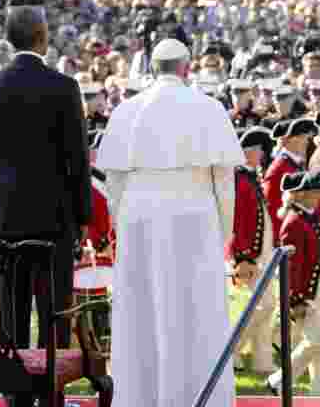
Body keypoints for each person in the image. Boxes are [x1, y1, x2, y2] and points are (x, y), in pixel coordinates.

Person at [96, 37, 243, 407]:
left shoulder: (128, 110)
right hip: (195, 217)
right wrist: (222, 235)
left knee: (142, 313)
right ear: (187, 68)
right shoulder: (208, 108)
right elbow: (224, 183)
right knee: (197, 313)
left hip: (139, 217)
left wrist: (123, 227)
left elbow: (114, 185)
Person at [0, 6, 92, 407]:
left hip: (2, 220)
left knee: (11, 312)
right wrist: (84, 218)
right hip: (54, 220)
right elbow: (77, 161)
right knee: (54, 311)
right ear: (43, 37)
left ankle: (15, 395)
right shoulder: (64, 87)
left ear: (9, 40)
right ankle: (49, 396)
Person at [267, 172, 320, 395]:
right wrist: (295, 299)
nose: (319, 195)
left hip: (316, 290)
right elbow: (291, 267)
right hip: (304, 294)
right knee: (316, 342)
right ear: (300, 194)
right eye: (314, 191)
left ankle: (318, 390)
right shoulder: (294, 223)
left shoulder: (306, 218)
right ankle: (277, 381)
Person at [229, 127, 277, 374]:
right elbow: (238, 222)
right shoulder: (239, 178)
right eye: (260, 151)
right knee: (262, 306)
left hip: (260, 251)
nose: (263, 155)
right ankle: (232, 349)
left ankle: (262, 360)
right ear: (251, 152)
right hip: (250, 254)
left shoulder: (248, 176)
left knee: (266, 306)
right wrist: (243, 256)